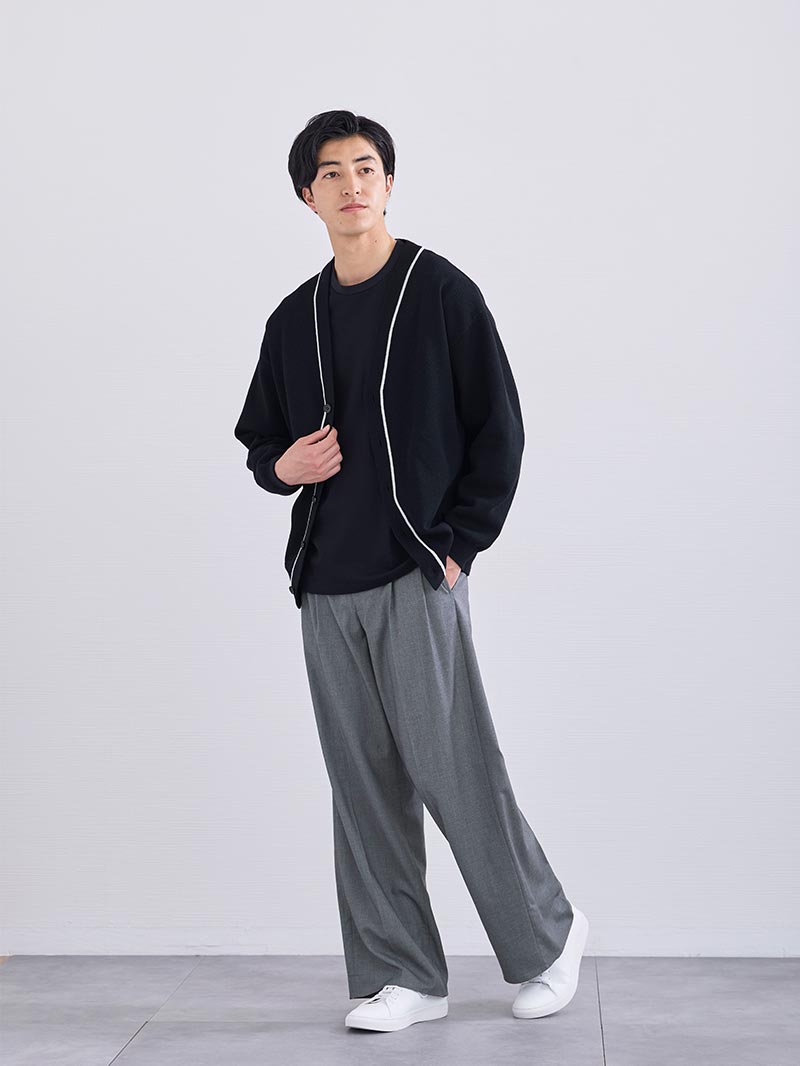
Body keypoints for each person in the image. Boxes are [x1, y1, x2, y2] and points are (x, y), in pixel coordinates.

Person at [234, 110, 588, 1033]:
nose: (352, 185)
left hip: (416, 572)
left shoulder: (440, 292)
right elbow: (261, 443)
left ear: (388, 182)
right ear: (307, 195)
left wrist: (459, 545)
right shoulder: (293, 319)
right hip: (325, 584)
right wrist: (284, 467)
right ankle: (405, 975)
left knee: (454, 770)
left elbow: (499, 429)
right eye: (332, 173)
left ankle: (548, 939)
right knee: (362, 789)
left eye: (367, 168)